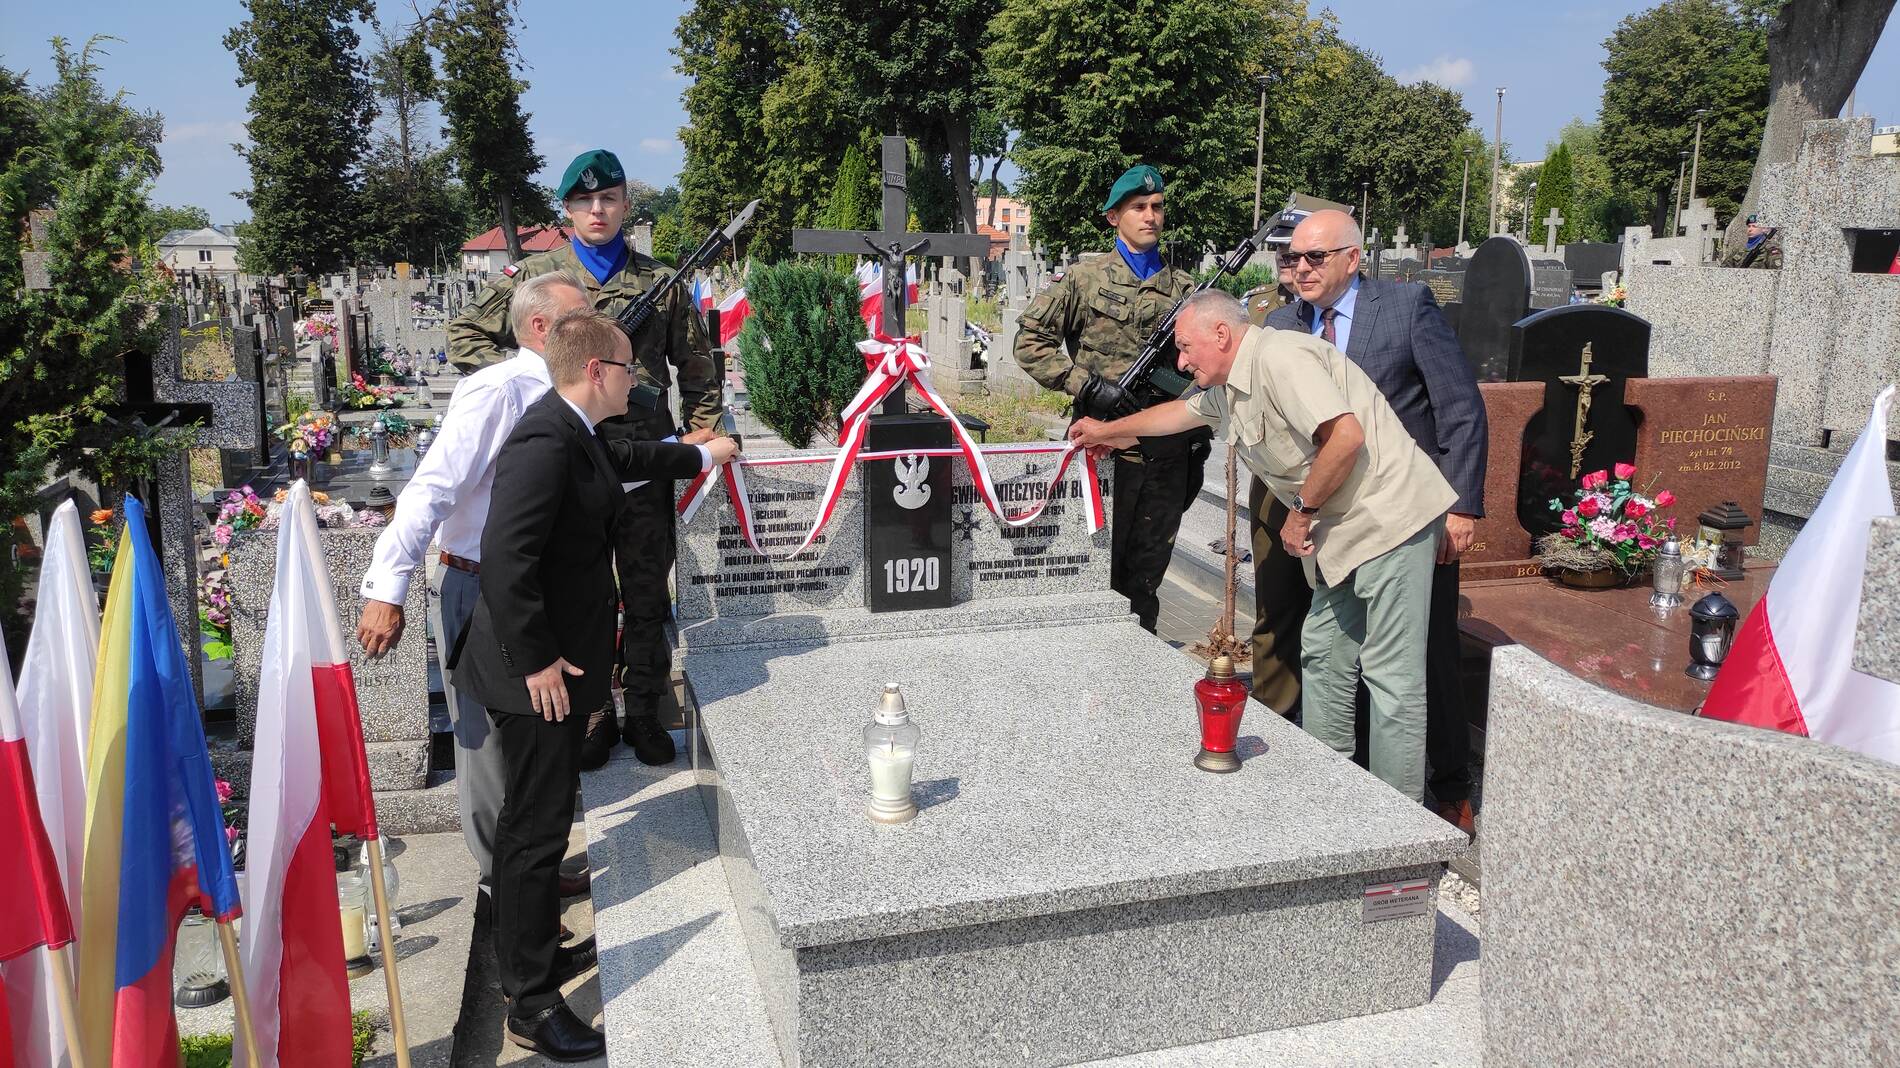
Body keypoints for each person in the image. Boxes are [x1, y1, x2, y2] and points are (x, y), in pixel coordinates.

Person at [450, 310, 739, 1059]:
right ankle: (532, 1003)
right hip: (532, 674)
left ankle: (538, 955)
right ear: (597, 372)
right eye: (628, 367)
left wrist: (708, 455)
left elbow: (637, 457)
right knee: (535, 830)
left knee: (542, 824)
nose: (636, 378)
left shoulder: (576, 431)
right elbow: (506, 559)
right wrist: (540, 661)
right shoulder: (545, 442)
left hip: (553, 663)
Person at [1071, 291, 1455, 804]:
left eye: (1186, 348)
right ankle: (1329, 789)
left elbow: (1345, 437)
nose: (1181, 361)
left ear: (1222, 335)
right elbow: (1178, 414)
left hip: (1388, 522)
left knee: (1392, 678)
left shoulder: (1281, 359)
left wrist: (1303, 511)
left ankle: (1398, 819)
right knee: (1323, 653)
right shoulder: (1232, 383)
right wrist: (1107, 432)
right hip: (1343, 535)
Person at [445, 148, 722, 769]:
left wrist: (701, 433)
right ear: (567, 209)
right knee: (582, 589)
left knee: (647, 586)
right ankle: (592, 710)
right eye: (584, 201)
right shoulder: (538, 275)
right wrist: (539, 389)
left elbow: (698, 368)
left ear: (626, 204)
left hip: (644, 456)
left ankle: (646, 710)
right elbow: (463, 335)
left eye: (609, 199)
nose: (597, 210)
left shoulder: (661, 279)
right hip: (573, 457)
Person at [358, 271, 593, 901]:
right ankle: (503, 887)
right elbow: (432, 487)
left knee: (541, 736)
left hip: (539, 589)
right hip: (481, 586)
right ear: (541, 327)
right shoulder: (499, 392)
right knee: (488, 748)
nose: (596, 322)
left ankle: (535, 869)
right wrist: (388, 586)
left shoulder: (572, 394)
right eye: (583, 314)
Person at [1257, 209, 1488, 834]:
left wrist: (1462, 506)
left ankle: (1447, 787)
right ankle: (1349, 776)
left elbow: (1460, 407)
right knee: (1332, 647)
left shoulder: (1406, 308)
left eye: (1314, 258)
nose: (1299, 269)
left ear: (1352, 259)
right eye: (1290, 259)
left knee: (1426, 650)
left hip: (1407, 513)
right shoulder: (1281, 325)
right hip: (1335, 522)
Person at [1013, 164, 1212, 632]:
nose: (1150, 216)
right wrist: (1086, 385)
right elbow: (1029, 342)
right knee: (1089, 572)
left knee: (1145, 579)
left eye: (1157, 207)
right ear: (1113, 217)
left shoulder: (1186, 290)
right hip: (1101, 450)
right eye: (1138, 208)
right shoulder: (1085, 279)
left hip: (1164, 456)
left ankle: (1138, 673)